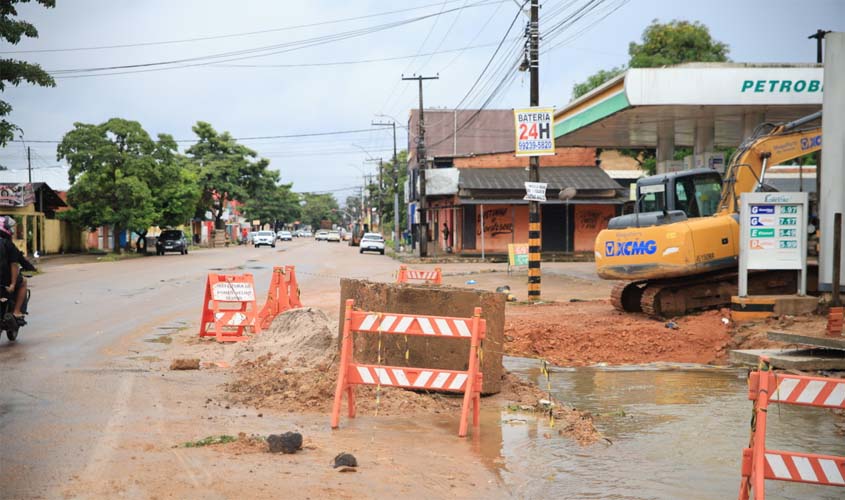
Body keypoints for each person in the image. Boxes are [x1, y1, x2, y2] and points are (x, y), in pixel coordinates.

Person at [0, 216, 35, 324]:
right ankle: (16, 311)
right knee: (23, 282)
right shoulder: (8, 244)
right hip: (4, 281)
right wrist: (13, 284)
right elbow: (14, 264)